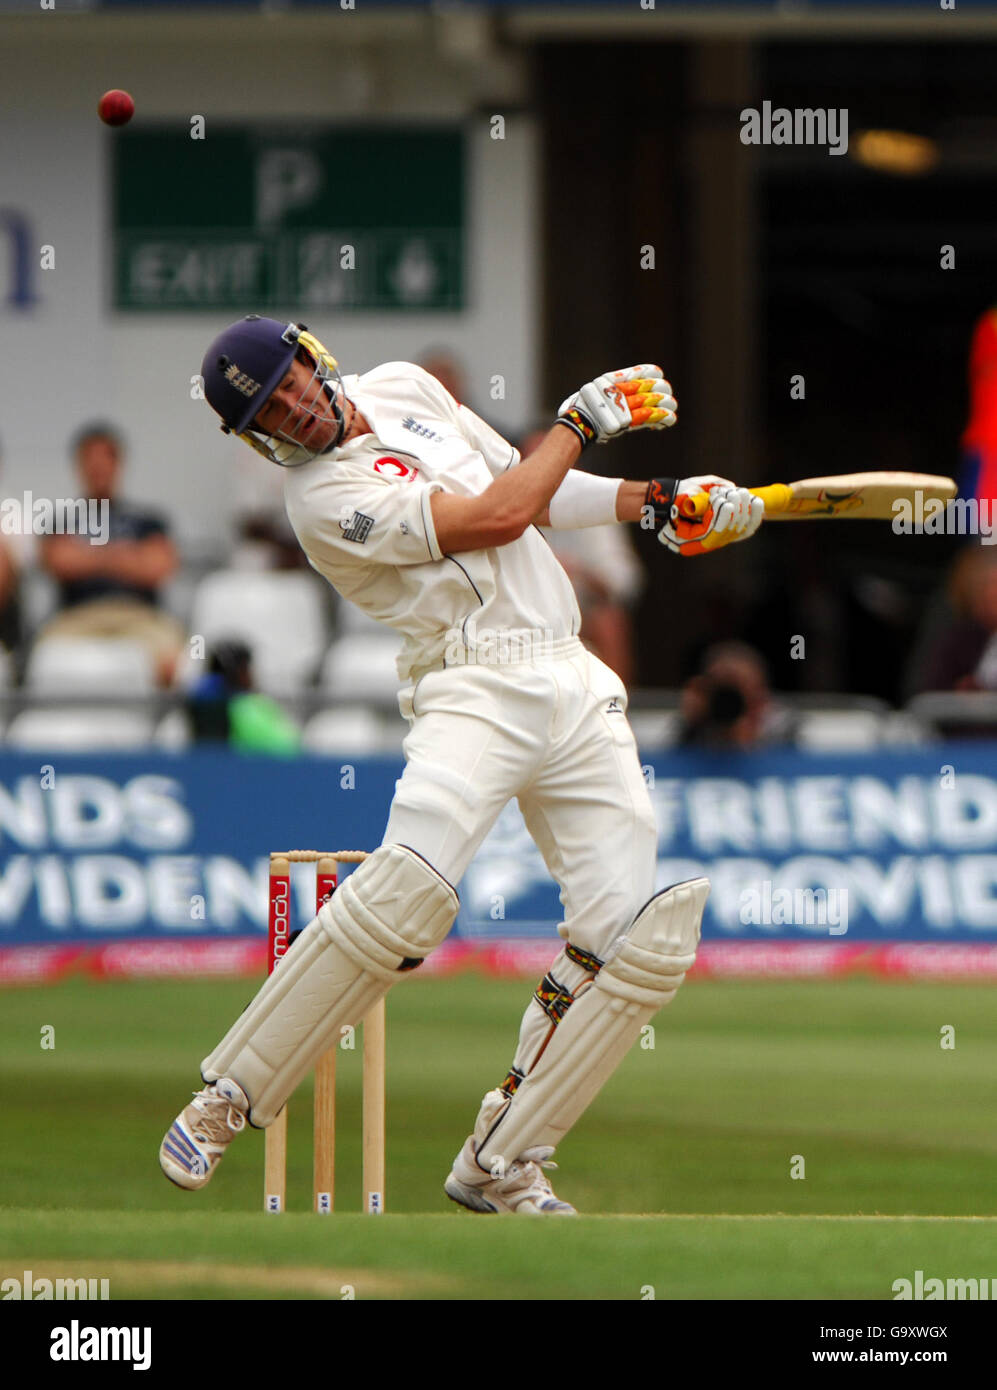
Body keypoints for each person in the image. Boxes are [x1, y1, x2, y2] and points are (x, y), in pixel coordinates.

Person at [159, 316, 763, 1214]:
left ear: (313, 357)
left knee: (633, 941)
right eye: (272, 415)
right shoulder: (321, 501)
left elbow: (532, 490)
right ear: (257, 436)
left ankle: (503, 1157)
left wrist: (654, 498)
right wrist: (580, 419)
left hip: (568, 668)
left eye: (292, 383)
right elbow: (496, 516)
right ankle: (228, 1096)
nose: (296, 412)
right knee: (408, 892)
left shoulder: (403, 383)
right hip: (472, 683)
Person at [35, 424, 184, 685]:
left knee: (177, 663)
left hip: (139, 615)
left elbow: (158, 568)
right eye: (90, 459)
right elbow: (60, 562)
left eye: (106, 458)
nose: (98, 468)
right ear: (78, 466)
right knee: (41, 661)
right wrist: (127, 556)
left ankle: (167, 726)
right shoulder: (60, 520)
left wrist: (88, 555)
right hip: (77, 617)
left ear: (119, 463)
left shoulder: (149, 520)